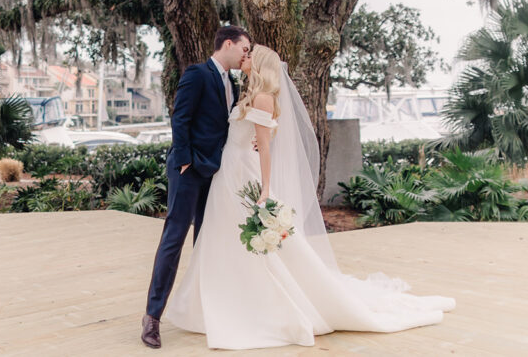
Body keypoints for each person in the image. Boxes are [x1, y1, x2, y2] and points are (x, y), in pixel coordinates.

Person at [161, 45, 456, 349]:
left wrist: (265, 189)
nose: (244, 58)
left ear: (259, 63)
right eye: (244, 52)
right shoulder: (246, 92)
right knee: (221, 238)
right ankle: (224, 298)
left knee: (255, 244)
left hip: (242, 176)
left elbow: (264, 148)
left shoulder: (262, 98)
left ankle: (258, 303)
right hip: (227, 175)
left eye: (250, 55)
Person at [141, 25, 252, 349]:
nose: (246, 54)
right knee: (174, 239)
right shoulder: (197, 73)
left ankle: (204, 311)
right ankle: (152, 317)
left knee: (207, 241)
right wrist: (185, 160)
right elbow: (181, 117)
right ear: (228, 44)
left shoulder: (231, 81)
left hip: (216, 173)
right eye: (244, 48)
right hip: (189, 171)